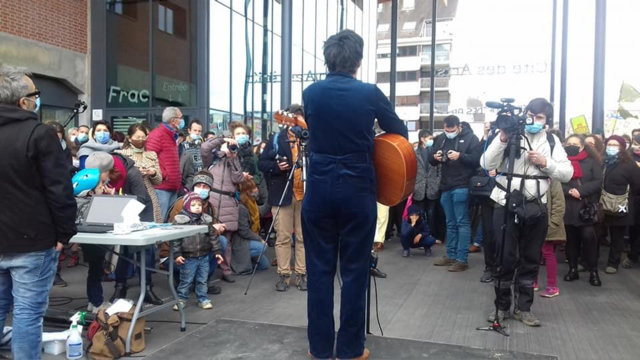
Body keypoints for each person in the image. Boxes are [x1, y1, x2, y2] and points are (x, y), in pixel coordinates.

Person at [301, 30, 407, 360]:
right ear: (358, 61)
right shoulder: (369, 93)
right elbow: (398, 131)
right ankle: (350, 349)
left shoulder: (311, 93)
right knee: (354, 271)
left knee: (318, 271)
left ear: (327, 58)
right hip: (357, 188)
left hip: (318, 188)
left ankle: (319, 348)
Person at [0, 64, 77, 359]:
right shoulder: (39, 134)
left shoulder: (37, 133)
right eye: (36, 94)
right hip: (32, 242)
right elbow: (59, 190)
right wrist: (64, 232)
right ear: (24, 102)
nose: (37, 99)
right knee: (27, 316)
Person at [480, 98, 572, 327]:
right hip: (505, 202)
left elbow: (567, 173)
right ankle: (501, 307)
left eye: (540, 117)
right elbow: (486, 162)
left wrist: (546, 163)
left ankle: (524, 308)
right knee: (505, 257)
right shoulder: (510, 134)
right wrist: (502, 138)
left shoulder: (552, 141)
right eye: (531, 115)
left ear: (547, 121)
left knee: (531, 259)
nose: (534, 121)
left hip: (536, 205)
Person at [258, 108, 307, 291]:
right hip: (282, 194)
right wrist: (277, 167)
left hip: (305, 195)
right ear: (289, 120)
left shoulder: (309, 138)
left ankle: (302, 274)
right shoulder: (277, 139)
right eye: (296, 119)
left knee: (304, 238)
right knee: (283, 237)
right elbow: (261, 163)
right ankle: (284, 275)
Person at [429, 115, 480, 272]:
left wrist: (460, 156)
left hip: (462, 185)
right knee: (450, 223)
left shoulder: (471, 138)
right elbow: (431, 159)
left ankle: (461, 259)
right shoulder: (441, 138)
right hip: (446, 186)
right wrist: (435, 157)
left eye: (452, 130)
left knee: (462, 222)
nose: (449, 132)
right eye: (446, 130)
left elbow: (477, 160)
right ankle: (451, 255)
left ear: (459, 127)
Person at [164, 171, 228, 295]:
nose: (201, 189)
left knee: (221, 242)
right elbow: (178, 232)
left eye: (205, 187)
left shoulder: (209, 207)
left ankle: (202, 281)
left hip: (195, 249)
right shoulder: (181, 203)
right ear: (193, 187)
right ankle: (187, 279)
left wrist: (215, 229)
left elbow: (210, 234)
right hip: (175, 252)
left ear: (210, 189)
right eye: (198, 186)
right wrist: (213, 228)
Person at [201, 129, 248, 283]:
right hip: (212, 199)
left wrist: (233, 158)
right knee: (208, 237)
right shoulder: (211, 158)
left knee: (226, 240)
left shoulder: (235, 158)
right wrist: (222, 140)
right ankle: (205, 271)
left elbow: (238, 178)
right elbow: (204, 148)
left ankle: (226, 270)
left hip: (228, 201)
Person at [562, 134, 603, 286]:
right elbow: (556, 180)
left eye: (575, 144)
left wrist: (581, 191)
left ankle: (593, 271)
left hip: (586, 206)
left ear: (582, 146)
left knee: (588, 238)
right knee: (571, 240)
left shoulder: (592, 161)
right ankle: (573, 269)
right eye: (569, 143)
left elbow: (598, 181)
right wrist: (570, 191)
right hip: (568, 205)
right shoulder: (561, 162)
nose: (572, 146)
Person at [172, 192, 223, 310]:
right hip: (188, 257)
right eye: (193, 205)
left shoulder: (206, 220)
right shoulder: (180, 220)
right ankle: (181, 299)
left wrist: (217, 252)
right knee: (186, 280)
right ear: (186, 205)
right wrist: (177, 254)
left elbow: (213, 237)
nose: (197, 207)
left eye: (199, 204)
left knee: (202, 279)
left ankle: (203, 299)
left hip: (204, 256)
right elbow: (175, 239)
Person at [601, 135, 640, 274]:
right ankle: (588, 261)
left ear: (622, 147)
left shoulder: (629, 164)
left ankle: (613, 262)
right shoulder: (602, 161)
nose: (611, 147)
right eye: (609, 144)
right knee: (596, 233)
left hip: (621, 204)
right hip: (601, 204)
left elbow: (637, 185)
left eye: (615, 145)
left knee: (617, 236)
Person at [146, 107, 184, 219]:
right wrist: (164, 175)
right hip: (161, 188)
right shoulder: (158, 135)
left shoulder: (171, 135)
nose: (182, 120)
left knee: (170, 223)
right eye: (180, 118)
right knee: (160, 222)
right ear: (173, 120)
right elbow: (149, 159)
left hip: (172, 187)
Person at [231, 178, 271, 274]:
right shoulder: (241, 208)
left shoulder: (251, 203)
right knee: (262, 247)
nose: (256, 189)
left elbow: (260, 211)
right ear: (247, 191)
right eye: (254, 188)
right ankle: (235, 262)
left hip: (249, 239)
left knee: (264, 265)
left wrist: (270, 200)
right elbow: (244, 231)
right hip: (241, 242)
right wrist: (259, 239)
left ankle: (245, 262)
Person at [537, 180, 565, 298]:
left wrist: (553, 223)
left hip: (547, 223)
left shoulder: (553, 180)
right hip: (534, 221)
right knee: (533, 252)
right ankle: (532, 282)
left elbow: (559, 204)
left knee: (547, 252)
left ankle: (552, 286)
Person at [623, 135, 640, 268]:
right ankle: (632, 252)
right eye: (635, 143)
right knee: (634, 227)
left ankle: (633, 254)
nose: (636, 146)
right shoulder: (628, 158)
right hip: (633, 197)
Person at [179, 119, 204, 189]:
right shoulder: (183, 146)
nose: (197, 133)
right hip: (187, 183)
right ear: (189, 131)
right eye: (195, 130)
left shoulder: (203, 146)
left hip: (201, 182)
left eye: (199, 131)